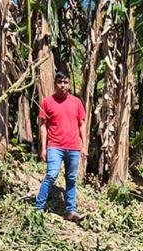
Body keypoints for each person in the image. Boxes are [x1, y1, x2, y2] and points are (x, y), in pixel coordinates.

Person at [34, 71, 87, 221]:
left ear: (69, 84)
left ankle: (71, 211)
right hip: (55, 146)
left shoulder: (76, 102)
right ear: (55, 84)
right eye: (60, 82)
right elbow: (43, 126)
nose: (63, 85)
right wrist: (43, 148)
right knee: (51, 175)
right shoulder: (47, 102)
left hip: (73, 147)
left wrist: (84, 146)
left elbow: (82, 124)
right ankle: (38, 208)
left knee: (71, 178)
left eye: (65, 82)